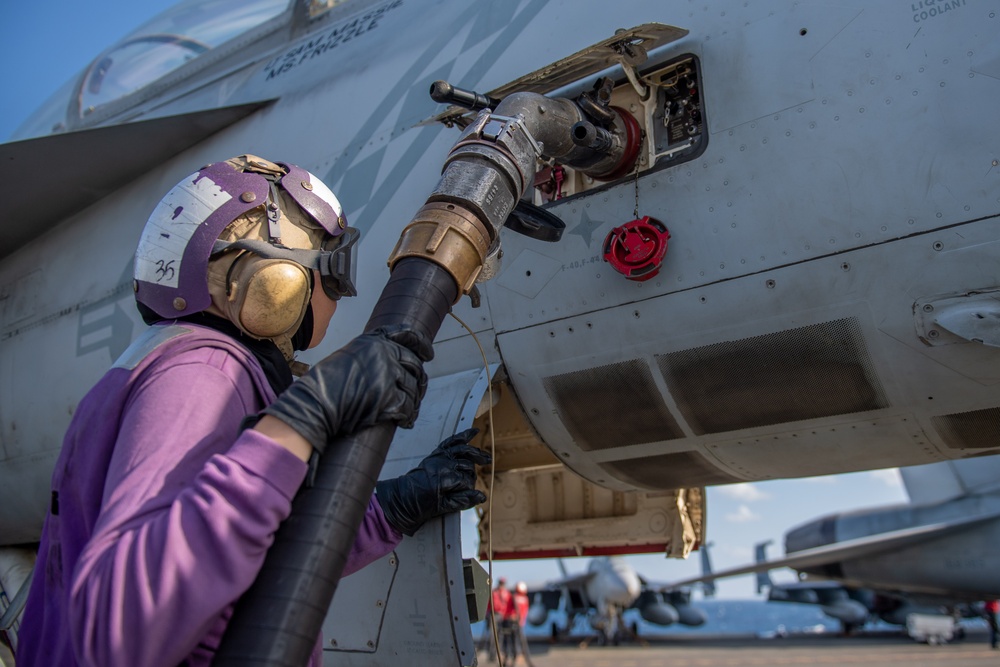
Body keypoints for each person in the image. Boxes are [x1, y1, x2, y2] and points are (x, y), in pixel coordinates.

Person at [16, 155, 490, 667]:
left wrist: (391, 508)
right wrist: (302, 419)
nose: (338, 295)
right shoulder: (203, 375)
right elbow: (123, 622)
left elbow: (235, 550)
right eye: (330, 273)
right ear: (275, 279)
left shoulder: (174, 361)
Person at [482, 577, 512, 662]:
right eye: (500, 583)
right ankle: (492, 655)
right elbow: (489, 604)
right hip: (493, 615)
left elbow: (509, 605)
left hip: (503, 617)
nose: (501, 585)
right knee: (493, 636)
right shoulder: (494, 593)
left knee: (501, 636)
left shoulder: (507, 593)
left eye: (503, 583)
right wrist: (487, 615)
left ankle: (500, 653)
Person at [511, 581, 536, 667]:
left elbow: (517, 610)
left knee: (516, 640)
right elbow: (525, 611)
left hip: (516, 622)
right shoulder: (525, 599)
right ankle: (521, 656)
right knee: (519, 639)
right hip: (519, 622)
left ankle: (517, 656)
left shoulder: (515, 597)